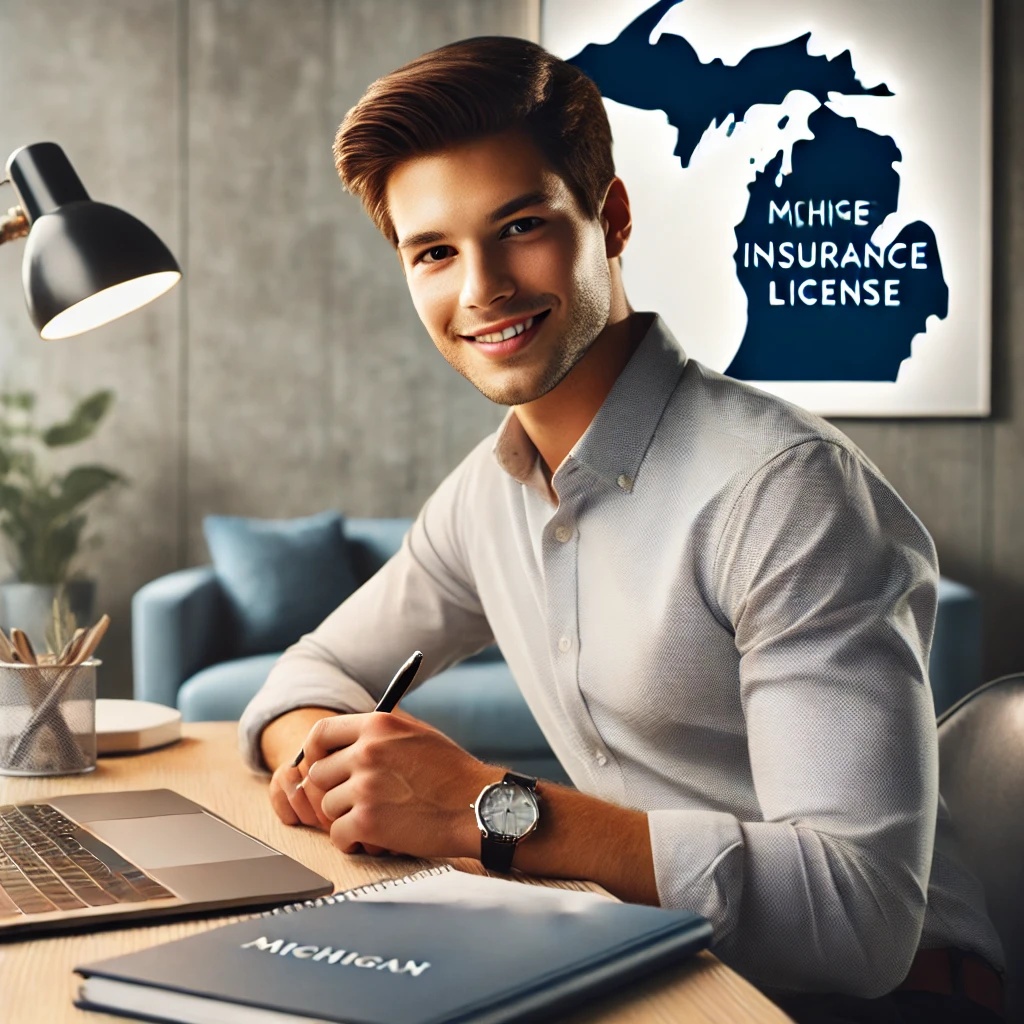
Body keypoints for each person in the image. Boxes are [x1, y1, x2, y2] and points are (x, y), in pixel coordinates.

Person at [239, 36, 1005, 1022]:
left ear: (612, 217)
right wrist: (333, 764)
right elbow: (304, 677)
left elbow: (858, 920)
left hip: (886, 1000)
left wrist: (487, 807)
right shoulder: (487, 495)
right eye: (433, 251)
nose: (480, 289)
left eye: (519, 225)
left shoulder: (782, 492)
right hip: (667, 965)